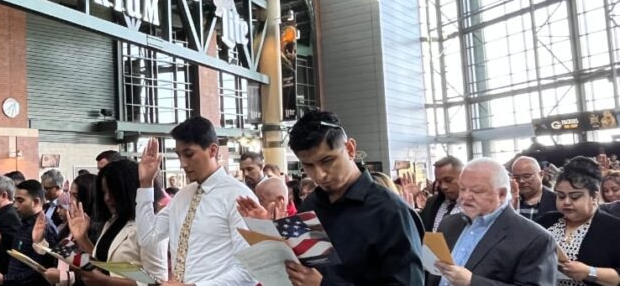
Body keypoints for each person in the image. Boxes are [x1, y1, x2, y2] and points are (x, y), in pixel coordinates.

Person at [242, 110, 425, 285]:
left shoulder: (391, 212)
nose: (319, 175)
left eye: (327, 161)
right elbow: (302, 269)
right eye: (309, 166)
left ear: (350, 149)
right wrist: (270, 236)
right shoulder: (311, 204)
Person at [136, 117, 256, 286]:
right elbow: (147, 238)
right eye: (179, 155)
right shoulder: (182, 196)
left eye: (189, 154)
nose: (182, 164)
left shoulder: (238, 196)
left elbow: (250, 271)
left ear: (212, 150)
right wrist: (146, 185)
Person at [429, 158, 555, 286]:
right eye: (462, 189)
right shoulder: (448, 224)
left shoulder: (534, 238)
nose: (465, 197)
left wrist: (472, 282)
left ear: (501, 194)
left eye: (476, 191)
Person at [51, 159, 168, 285]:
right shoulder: (114, 221)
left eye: (113, 192)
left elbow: (157, 282)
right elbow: (106, 265)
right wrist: (82, 239)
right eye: (104, 192)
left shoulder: (150, 225)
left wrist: (106, 281)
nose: (107, 198)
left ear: (129, 189)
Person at [535, 157, 620, 286]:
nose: (566, 202)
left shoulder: (614, 228)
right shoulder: (546, 222)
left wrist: (589, 272)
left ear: (594, 196)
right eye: (561, 196)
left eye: (575, 197)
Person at [0, 180, 57, 286]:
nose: (15, 205)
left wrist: (5, 280)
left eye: (20, 201)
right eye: (15, 200)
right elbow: (18, 261)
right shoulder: (24, 224)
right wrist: (0, 245)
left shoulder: (45, 228)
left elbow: (40, 271)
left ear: (36, 202)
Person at [421, 156, 463, 232]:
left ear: (462, 177)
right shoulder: (431, 203)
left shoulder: (474, 207)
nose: (443, 186)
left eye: (448, 180)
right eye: (439, 182)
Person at [512, 156, 558, 221]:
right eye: (516, 177)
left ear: (541, 175)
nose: (521, 181)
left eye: (527, 176)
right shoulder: (508, 202)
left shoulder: (557, 201)